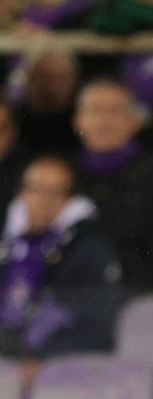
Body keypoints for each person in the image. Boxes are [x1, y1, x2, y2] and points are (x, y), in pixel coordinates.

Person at [0, 154, 122, 371]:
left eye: (56, 192)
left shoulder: (90, 249)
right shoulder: (7, 242)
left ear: (69, 199)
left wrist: (43, 361)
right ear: (22, 192)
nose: (44, 200)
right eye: (36, 189)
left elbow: (99, 327)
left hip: (56, 369)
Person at [73, 78, 153, 287]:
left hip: (139, 298)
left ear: (135, 121)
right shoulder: (62, 176)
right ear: (78, 120)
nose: (104, 120)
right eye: (95, 110)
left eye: (116, 111)